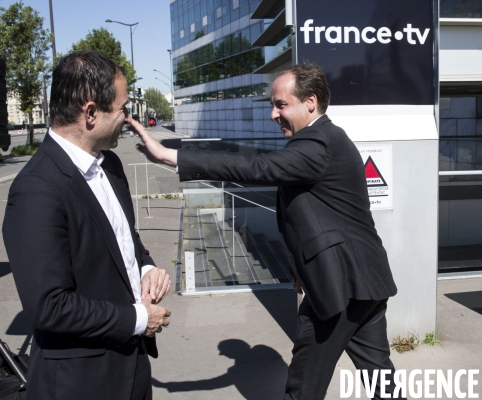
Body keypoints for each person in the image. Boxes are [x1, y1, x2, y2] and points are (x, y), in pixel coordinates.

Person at [134, 63, 398, 399]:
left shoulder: (317, 144)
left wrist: (172, 156)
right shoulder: (328, 138)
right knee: (382, 382)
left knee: (303, 386)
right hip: (365, 282)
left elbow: (256, 167)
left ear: (311, 102)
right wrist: (298, 267)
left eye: (281, 105)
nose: (274, 114)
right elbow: (318, 216)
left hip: (337, 288)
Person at [3, 50, 172, 400]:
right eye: (124, 109)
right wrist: (139, 319)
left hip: (133, 370)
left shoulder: (110, 165)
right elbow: (49, 305)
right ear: (91, 113)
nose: (128, 118)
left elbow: (126, 241)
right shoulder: (36, 189)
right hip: (81, 383)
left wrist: (146, 267)